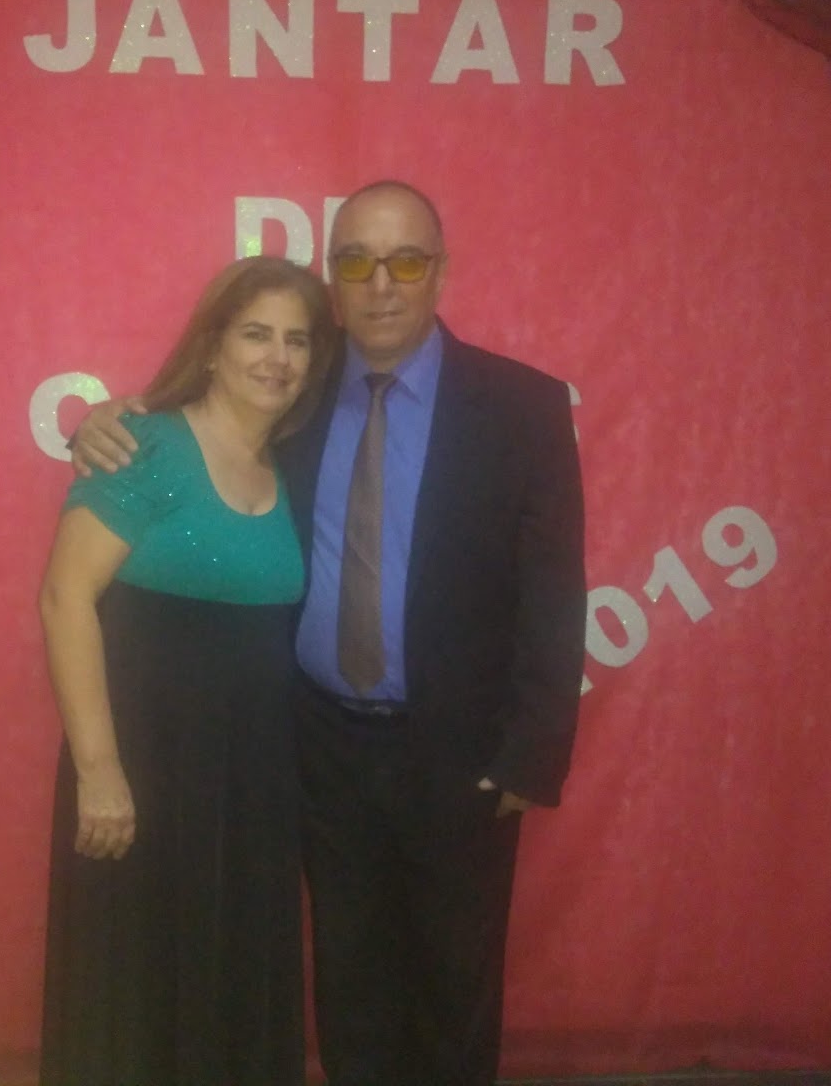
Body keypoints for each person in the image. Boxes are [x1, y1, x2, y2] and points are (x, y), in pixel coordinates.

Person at [71, 180, 587, 1086]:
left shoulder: (521, 407)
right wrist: (108, 421)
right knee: (348, 985)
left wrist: (529, 756)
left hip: (462, 756)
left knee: (455, 988)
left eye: (405, 262)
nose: (380, 284)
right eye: (356, 261)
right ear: (334, 278)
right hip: (314, 751)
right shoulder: (295, 393)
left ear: (440, 272)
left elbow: (553, 592)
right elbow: (200, 424)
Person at [37, 255, 338, 1086]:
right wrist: (100, 771)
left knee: (231, 984)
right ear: (212, 346)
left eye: (297, 341)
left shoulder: (295, 469)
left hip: (253, 786)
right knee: (134, 985)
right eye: (256, 334)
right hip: (143, 772)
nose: (277, 357)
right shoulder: (148, 446)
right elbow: (65, 599)